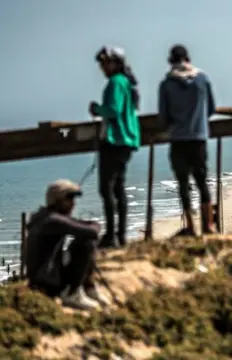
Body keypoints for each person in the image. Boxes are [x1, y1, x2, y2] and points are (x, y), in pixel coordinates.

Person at [159, 44, 216, 235]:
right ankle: (208, 225)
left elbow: (164, 117)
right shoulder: (202, 79)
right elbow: (211, 109)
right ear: (188, 59)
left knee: (183, 185)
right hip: (199, 137)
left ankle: (191, 226)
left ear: (171, 61)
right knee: (202, 181)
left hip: (178, 139)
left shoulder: (166, 84)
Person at [25, 179, 109, 310]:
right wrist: (93, 225)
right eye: (69, 199)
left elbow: (78, 226)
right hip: (46, 284)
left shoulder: (45, 216)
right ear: (57, 201)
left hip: (41, 278)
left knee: (84, 239)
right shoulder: (53, 221)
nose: (73, 204)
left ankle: (88, 288)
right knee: (87, 242)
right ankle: (71, 293)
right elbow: (92, 231)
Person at [90, 46, 141, 248]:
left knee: (107, 188)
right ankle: (120, 235)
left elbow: (112, 110)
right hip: (127, 139)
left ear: (115, 63)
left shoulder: (115, 83)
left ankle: (111, 235)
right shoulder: (126, 82)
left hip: (115, 139)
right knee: (118, 187)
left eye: (105, 63)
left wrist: (96, 109)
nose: (102, 67)